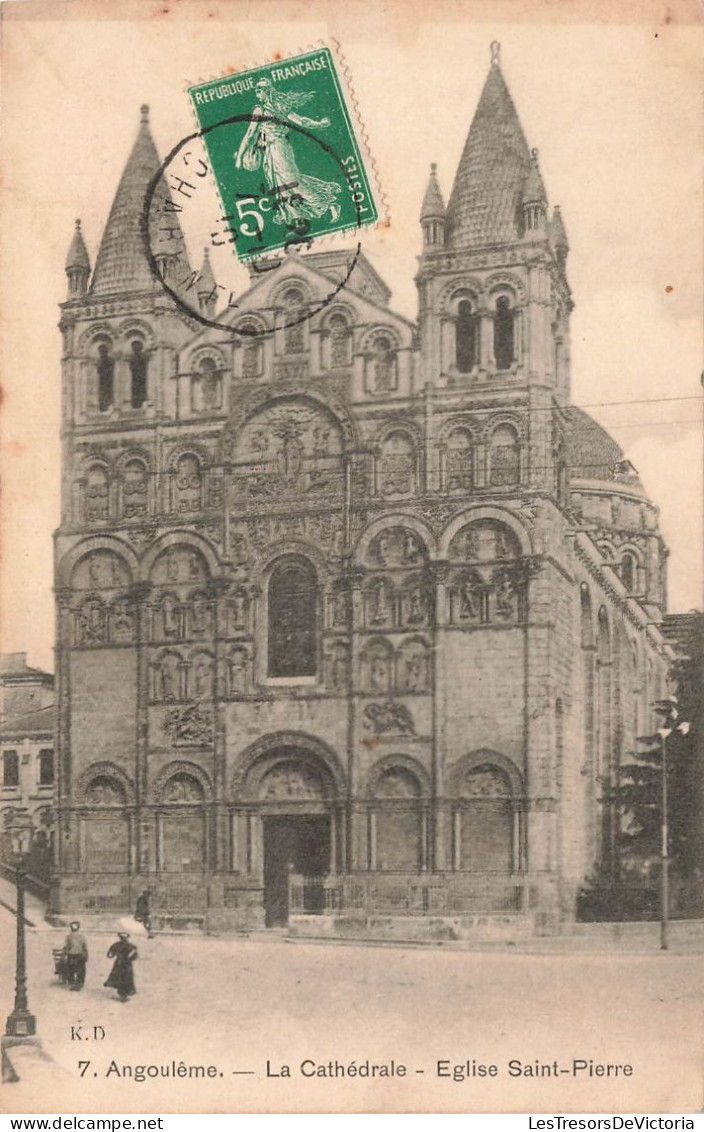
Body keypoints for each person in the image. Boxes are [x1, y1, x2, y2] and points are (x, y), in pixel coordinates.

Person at [235, 78, 341, 228]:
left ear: (267, 92)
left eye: (259, 90)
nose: (257, 93)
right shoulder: (272, 108)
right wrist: (320, 124)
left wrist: (320, 124)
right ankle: (295, 216)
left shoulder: (267, 109)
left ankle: (327, 204)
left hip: (279, 149)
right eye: (257, 90)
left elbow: (250, 134)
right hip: (271, 152)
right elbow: (251, 133)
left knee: (290, 181)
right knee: (280, 183)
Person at [104, 932, 138, 1003]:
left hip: (119, 964)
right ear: (127, 937)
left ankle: (121, 994)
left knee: (118, 977)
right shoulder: (131, 946)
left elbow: (110, 955)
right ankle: (124, 995)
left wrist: (116, 954)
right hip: (127, 965)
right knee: (127, 979)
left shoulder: (116, 945)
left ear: (120, 937)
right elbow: (135, 957)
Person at [62, 921, 88, 991]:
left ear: (71, 928)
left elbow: (66, 947)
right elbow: (84, 947)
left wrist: (65, 955)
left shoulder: (69, 936)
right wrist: (86, 955)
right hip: (80, 955)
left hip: (72, 955)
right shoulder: (82, 936)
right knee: (81, 970)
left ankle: (72, 983)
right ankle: (79, 983)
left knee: (71, 970)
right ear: (78, 928)